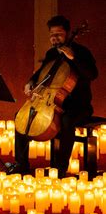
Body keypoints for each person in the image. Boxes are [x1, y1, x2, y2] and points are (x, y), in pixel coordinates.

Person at [10, 15, 98, 177]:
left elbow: (92, 74)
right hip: (51, 102)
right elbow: (40, 75)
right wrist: (30, 83)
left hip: (78, 105)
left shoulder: (81, 52)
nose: (55, 38)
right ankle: (21, 163)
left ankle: (60, 168)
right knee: (21, 116)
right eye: (52, 34)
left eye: (59, 34)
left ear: (67, 33)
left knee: (66, 120)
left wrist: (74, 58)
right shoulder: (51, 54)